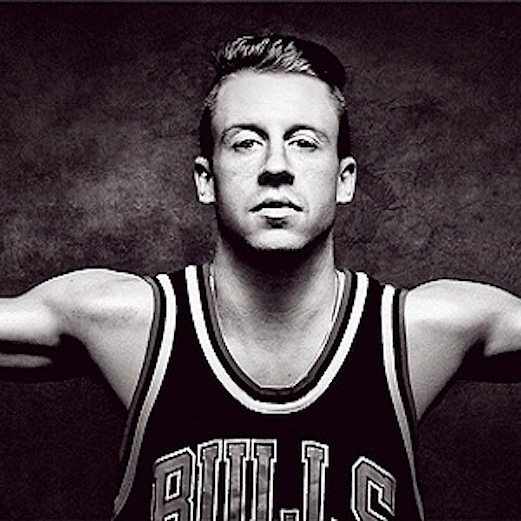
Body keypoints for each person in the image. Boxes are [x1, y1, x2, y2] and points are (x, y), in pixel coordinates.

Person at [0, 34, 519, 521]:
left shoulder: (415, 335)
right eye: (246, 142)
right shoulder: (131, 325)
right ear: (206, 179)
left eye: (305, 143)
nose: (276, 166)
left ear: (344, 180)